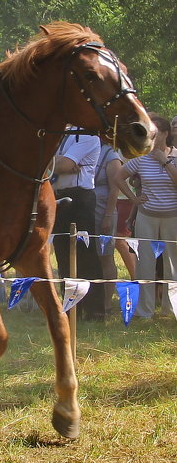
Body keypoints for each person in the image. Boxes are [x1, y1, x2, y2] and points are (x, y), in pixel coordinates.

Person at [113, 114, 177, 318]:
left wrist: (165, 162)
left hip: (172, 216)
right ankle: (145, 310)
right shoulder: (141, 159)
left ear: (166, 134)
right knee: (145, 264)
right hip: (147, 216)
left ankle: (171, 308)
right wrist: (134, 198)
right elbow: (118, 176)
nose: (150, 136)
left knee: (172, 264)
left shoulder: (175, 156)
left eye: (155, 133)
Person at [51, 132, 106, 320]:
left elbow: (64, 165)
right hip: (58, 196)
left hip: (80, 199)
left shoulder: (87, 136)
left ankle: (94, 311)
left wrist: (53, 163)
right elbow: (50, 162)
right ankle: (71, 308)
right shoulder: (59, 134)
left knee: (85, 255)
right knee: (63, 255)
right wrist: (55, 163)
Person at [93, 144, 135, 314]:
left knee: (105, 256)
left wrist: (108, 216)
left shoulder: (111, 156)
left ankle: (106, 303)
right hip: (87, 210)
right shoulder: (88, 148)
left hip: (104, 211)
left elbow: (114, 189)